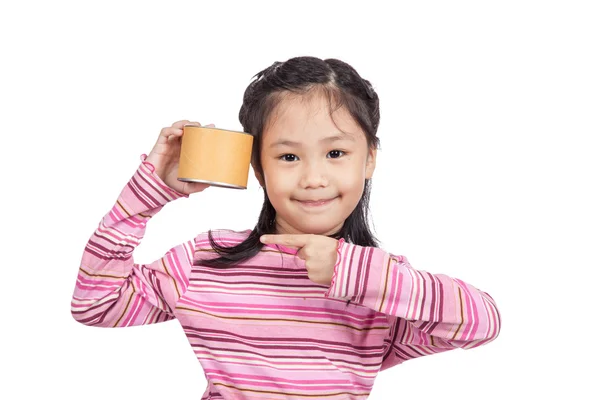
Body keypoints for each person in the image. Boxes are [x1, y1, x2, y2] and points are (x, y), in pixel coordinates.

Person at [71, 56, 501, 399]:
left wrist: (353, 272)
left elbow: (481, 323)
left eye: (335, 153)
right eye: (289, 157)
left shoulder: (381, 281)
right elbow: (96, 304)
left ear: (369, 158)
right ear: (258, 167)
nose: (313, 178)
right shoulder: (206, 261)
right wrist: (148, 193)